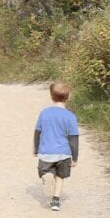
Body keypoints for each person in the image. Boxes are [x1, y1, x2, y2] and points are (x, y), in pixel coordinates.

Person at [33, 81, 79, 211]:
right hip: (63, 153)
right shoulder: (70, 116)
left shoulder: (45, 113)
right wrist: (74, 157)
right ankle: (55, 200)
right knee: (60, 176)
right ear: (68, 97)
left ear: (51, 96)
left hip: (46, 151)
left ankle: (46, 176)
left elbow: (38, 131)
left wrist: (36, 148)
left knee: (45, 170)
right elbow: (73, 138)